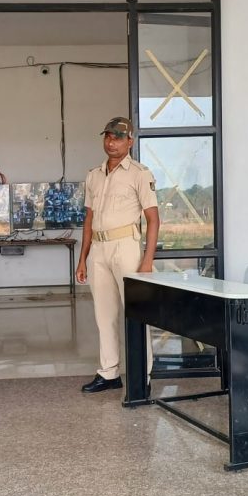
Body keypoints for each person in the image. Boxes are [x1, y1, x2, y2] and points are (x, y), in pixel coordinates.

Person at [76, 117, 160, 393]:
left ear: (130, 141)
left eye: (118, 137)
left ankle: (142, 376)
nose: (111, 142)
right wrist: (83, 257)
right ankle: (109, 373)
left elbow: (153, 219)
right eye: (108, 137)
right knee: (104, 315)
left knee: (136, 313)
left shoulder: (139, 173)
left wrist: (147, 259)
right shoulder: (94, 175)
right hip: (98, 249)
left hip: (127, 247)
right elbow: (88, 219)